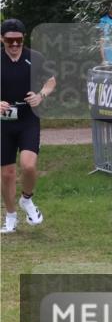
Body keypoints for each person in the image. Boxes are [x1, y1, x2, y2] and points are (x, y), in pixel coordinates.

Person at [1, 19, 56, 234]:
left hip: (28, 119)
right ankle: (10, 217)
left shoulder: (35, 57)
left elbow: (51, 81)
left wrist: (40, 95)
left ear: (23, 38)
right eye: (9, 40)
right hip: (3, 123)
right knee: (7, 173)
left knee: (29, 166)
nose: (14, 44)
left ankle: (26, 199)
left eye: (18, 40)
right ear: (2, 39)